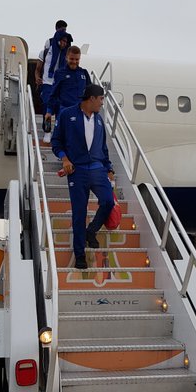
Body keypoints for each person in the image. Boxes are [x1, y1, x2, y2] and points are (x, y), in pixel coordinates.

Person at [51, 83, 115, 269]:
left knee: (108, 202)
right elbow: (56, 141)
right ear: (92, 98)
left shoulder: (99, 120)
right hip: (77, 171)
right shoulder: (66, 114)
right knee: (79, 213)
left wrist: (109, 168)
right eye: (101, 99)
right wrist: (64, 159)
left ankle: (91, 231)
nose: (102, 103)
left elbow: (103, 148)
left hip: (97, 169)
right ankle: (80, 255)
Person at [35, 21, 73, 140]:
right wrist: (37, 77)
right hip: (48, 82)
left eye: (66, 41)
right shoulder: (48, 47)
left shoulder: (67, 53)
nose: (64, 43)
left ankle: (58, 133)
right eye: (63, 40)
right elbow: (38, 68)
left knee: (60, 108)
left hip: (60, 84)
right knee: (47, 105)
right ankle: (47, 131)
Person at [45, 45, 91, 123]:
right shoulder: (59, 73)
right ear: (66, 57)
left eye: (77, 59)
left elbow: (90, 93)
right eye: (72, 59)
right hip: (64, 112)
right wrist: (49, 111)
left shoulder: (84, 73)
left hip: (80, 113)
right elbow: (54, 93)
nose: (74, 61)